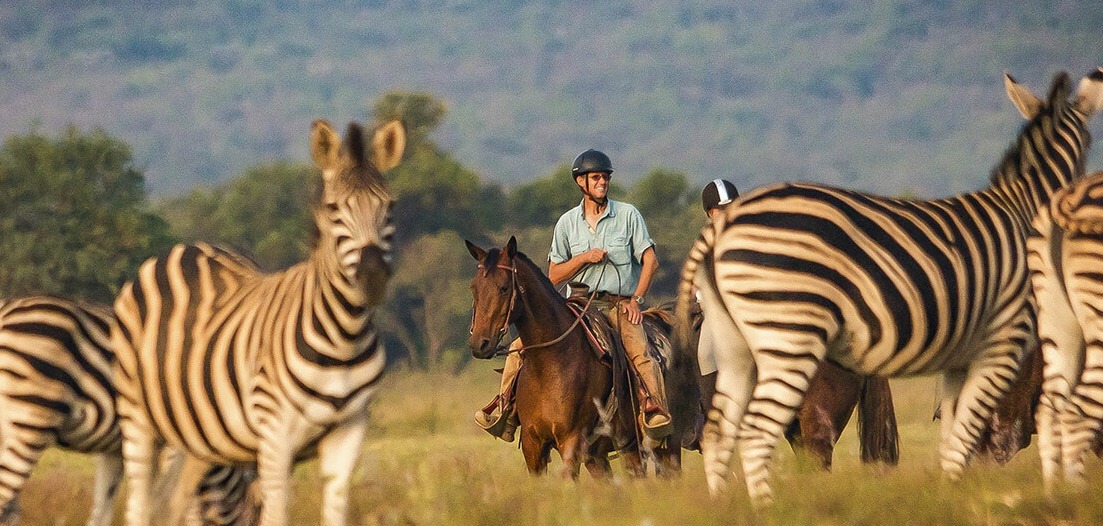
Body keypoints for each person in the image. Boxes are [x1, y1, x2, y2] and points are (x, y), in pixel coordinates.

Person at [474, 149, 671, 441]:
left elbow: (650, 261)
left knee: (639, 352)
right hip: (577, 303)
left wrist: (636, 299)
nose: (602, 182)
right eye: (595, 177)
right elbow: (553, 275)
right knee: (518, 349)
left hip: (617, 304)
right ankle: (504, 409)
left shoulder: (629, 215)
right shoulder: (567, 223)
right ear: (581, 182)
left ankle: (652, 410)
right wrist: (583, 258)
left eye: (605, 177)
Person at [694, 179, 739, 409]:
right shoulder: (704, 244)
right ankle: (711, 411)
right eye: (722, 210)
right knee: (704, 353)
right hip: (717, 309)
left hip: (746, 305)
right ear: (710, 213)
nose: (727, 214)